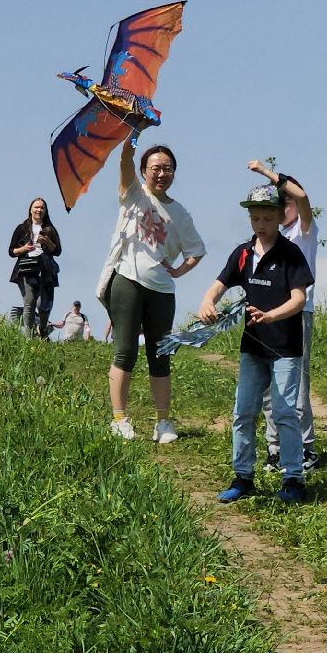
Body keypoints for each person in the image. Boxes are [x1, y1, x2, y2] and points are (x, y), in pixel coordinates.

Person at [201, 181, 314, 504]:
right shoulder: (243, 254)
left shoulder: (291, 254)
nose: (261, 225)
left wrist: (273, 315)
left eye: (267, 219)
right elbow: (218, 285)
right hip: (252, 348)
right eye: (255, 219)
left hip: (285, 348)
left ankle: (293, 478)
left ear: (279, 216)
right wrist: (207, 302)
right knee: (243, 411)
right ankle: (243, 477)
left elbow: (298, 299)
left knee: (284, 412)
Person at [95, 145, 206, 443]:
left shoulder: (180, 213)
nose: (161, 173)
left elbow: (196, 251)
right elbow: (124, 159)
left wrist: (179, 271)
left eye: (167, 168)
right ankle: (119, 418)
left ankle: (163, 422)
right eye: (155, 168)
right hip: (127, 280)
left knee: (161, 355)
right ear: (144, 171)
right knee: (125, 350)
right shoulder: (134, 194)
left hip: (162, 289)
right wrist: (134, 134)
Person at [246, 160, 321, 473]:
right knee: (268, 388)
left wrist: (268, 174)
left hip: (296, 314)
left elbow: (302, 198)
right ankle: (275, 450)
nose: (280, 209)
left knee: (295, 387)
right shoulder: (265, 238)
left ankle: (305, 449)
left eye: (282, 203)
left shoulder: (304, 231)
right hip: (264, 318)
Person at [7, 197, 62, 338]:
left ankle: (42, 328)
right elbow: (11, 251)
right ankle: (28, 336)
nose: (39, 210)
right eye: (36, 207)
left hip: (46, 269)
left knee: (44, 305)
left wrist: (48, 242)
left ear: (45, 211)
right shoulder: (22, 228)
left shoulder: (50, 229)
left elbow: (58, 251)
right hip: (26, 268)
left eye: (42, 208)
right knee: (29, 303)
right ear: (31, 209)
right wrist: (24, 248)